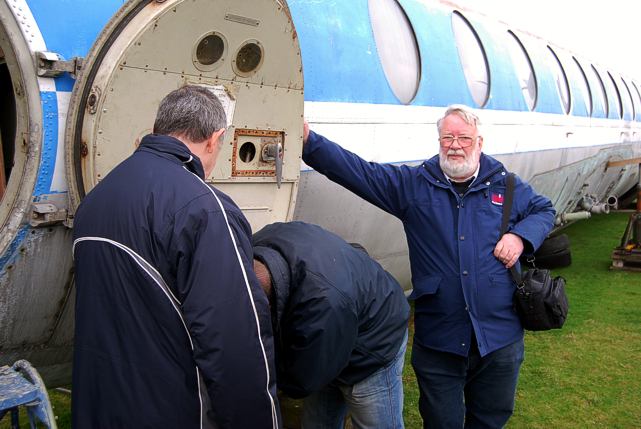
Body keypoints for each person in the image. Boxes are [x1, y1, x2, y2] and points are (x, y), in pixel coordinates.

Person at [302, 105, 555, 428]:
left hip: (500, 339)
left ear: (479, 142)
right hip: (440, 341)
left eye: (464, 137)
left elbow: (543, 210)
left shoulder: (506, 187)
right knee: (440, 422)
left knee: (490, 420)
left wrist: (520, 237)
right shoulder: (414, 186)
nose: (455, 145)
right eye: (447, 137)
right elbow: (360, 173)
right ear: (439, 140)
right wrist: (310, 142)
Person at [71, 85, 280, 429]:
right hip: (171, 411)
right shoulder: (206, 210)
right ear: (215, 139)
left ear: (155, 131)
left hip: (99, 406)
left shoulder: (96, 198)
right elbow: (234, 344)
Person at [252, 221, 410, 429]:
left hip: (373, 343)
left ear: (269, 305)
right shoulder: (252, 246)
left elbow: (300, 380)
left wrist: (257, 385)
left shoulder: (323, 304)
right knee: (318, 424)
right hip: (336, 320)